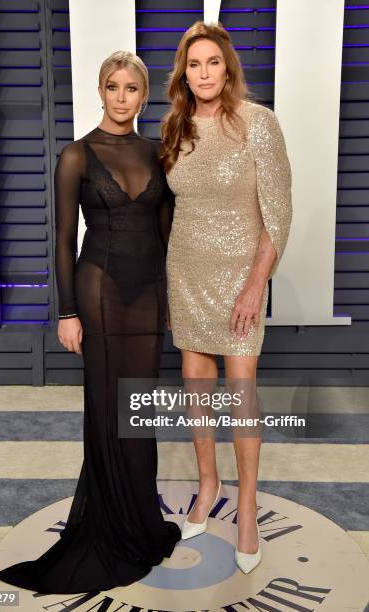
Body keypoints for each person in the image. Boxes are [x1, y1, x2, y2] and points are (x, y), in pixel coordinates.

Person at [0, 50, 181, 594]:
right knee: (104, 406)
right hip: (96, 294)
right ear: (100, 91)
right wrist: (66, 312)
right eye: (113, 87)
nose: (123, 97)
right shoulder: (76, 155)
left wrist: (174, 296)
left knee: (137, 410)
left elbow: (167, 234)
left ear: (145, 97)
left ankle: (140, 521)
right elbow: (63, 240)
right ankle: (106, 525)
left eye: (133, 89)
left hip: (148, 296)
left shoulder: (157, 153)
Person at [161, 21, 292, 574]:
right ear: (184, 73)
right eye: (195, 64)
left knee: (240, 396)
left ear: (228, 67)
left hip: (240, 278)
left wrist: (253, 284)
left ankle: (244, 508)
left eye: (213, 62)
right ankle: (208, 483)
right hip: (186, 272)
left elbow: (278, 215)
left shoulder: (258, 124)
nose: (204, 73)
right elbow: (170, 209)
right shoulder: (175, 126)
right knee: (197, 391)